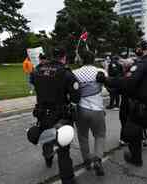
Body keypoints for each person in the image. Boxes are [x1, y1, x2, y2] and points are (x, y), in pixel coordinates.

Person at [97, 41, 147, 184]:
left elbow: (128, 83)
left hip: (144, 110)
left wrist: (106, 80)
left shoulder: (142, 64)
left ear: (140, 51)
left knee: (130, 129)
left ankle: (136, 158)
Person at [32, 48, 80, 184]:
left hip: (42, 113)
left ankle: (48, 158)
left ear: (52, 56)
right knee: (63, 149)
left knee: (46, 137)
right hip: (60, 115)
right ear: (63, 57)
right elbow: (76, 97)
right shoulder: (66, 73)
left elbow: (36, 88)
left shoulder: (37, 71)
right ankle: (68, 180)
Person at [73, 50, 107, 176]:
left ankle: (87, 161)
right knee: (100, 135)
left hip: (81, 109)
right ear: (93, 60)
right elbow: (107, 86)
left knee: (83, 137)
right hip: (97, 109)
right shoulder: (101, 72)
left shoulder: (75, 73)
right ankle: (98, 159)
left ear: (82, 59)